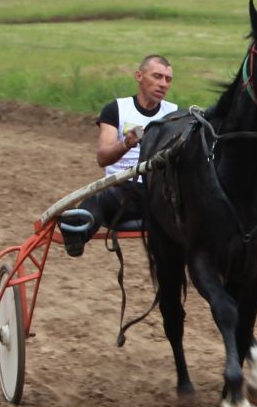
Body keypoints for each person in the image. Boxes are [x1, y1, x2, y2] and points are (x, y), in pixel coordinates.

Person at [60, 55, 180, 256]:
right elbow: (103, 158)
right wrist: (126, 144)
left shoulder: (175, 114)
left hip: (160, 193)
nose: (163, 84)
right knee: (98, 199)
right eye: (157, 76)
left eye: (168, 79)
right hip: (121, 191)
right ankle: (77, 231)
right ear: (139, 76)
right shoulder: (116, 109)